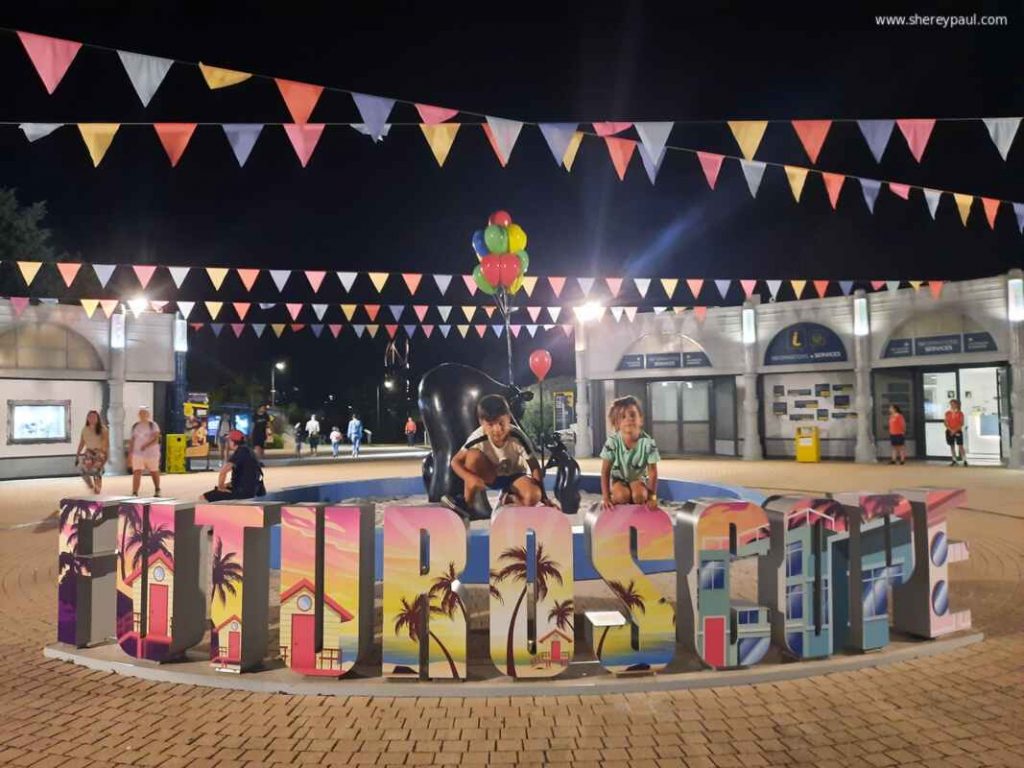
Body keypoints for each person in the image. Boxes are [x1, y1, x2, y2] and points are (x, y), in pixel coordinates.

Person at [444, 394, 550, 516]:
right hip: (490, 475)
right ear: (481, 423)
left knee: (533, 496)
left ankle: (509, 498)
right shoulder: (477, 438)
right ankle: (466, 503)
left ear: (509, 418)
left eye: (501, 422)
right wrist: (469, 477)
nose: (497, 429)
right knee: (472, 456)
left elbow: (534, 466)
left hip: (515, 476)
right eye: (490, 425)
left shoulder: (518, 437)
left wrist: (544, 497)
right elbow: (455, 461)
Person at [600, 395, 660, 510]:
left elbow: (653, 472)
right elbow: (605, 471)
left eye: (633, 415)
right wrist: (606, 497)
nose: (628, 419)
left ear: (641, 419)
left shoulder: (648, 443)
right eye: (623, 417)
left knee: (640, 496)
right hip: (619, 481)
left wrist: (652, 497)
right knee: (622, 496)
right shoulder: (612, 443)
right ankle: (617, 499)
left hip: (637, 479)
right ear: (616, 423)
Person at [202, 430, 264, 502]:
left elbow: (223, 472)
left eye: (229, 440)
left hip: (243, 492)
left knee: (204, 497)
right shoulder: (248, 451)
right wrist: (228, 484)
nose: (228, 443)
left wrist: (221, 487)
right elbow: (245, 475)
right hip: (253, 489)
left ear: (233, 442)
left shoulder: (240, 452)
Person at [129, 406, 162, 496]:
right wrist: (130, 453)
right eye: (141, 413)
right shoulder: (135, 426)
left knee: (154, 471)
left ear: (148, 414)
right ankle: (135, 492)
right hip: (138, 453)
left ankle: (157, 489)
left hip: (152, 454)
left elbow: (156, 438)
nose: (142, 415)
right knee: (137, 471)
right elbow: (132, 440)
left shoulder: (153, 425)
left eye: (144, 413)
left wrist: (146, 445)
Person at [75, 410, 109, 494]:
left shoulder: (103, 429)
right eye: (90, 417)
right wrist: (77, 454)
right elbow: (82, 442)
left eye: (94, 417)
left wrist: (103, 454)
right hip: (89, 452)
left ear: (97, 418)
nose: (92, 418)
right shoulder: (85, 429)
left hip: (99, 452)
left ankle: (98, 488)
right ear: (87, 418)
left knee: (96, 471)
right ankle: (90, 484)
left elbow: (106, 443)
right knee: (82, 469)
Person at [945, 398, 967, 466]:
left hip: (958, 431)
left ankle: (964, 460)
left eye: (953, 404)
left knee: (960, 445)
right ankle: (954, 460)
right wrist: (950, 430)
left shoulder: (960, 413)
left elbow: (962, 423)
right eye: (951, 404)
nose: (952, 405)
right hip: (949, 431)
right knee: (952, 445)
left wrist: (955, 430)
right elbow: (946, 423)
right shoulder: (947, 413)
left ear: (957, 405)